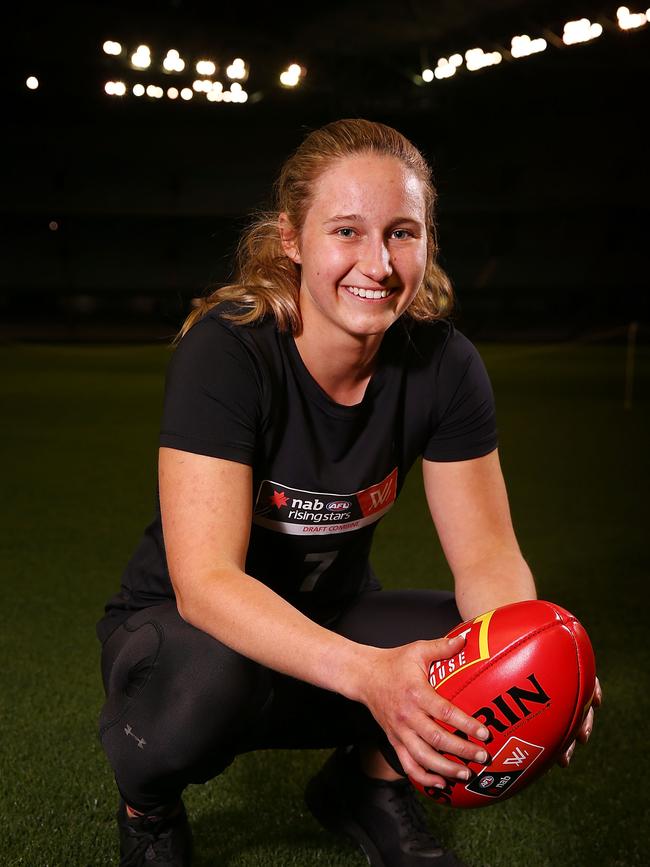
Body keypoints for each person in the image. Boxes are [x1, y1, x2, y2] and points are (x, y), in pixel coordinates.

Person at [97, 118, 601, 867]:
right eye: (346, 230)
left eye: (402, 232)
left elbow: (489, 556)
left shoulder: (445, 365)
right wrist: (369, 673)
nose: (379, 263)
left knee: (457, 643)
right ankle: (149, 808)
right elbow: (204, 584)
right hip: (184, 638)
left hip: (331, 622)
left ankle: (363, 785)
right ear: (292, 239)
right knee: (213, 673)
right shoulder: (229, 349)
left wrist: (538, 659)